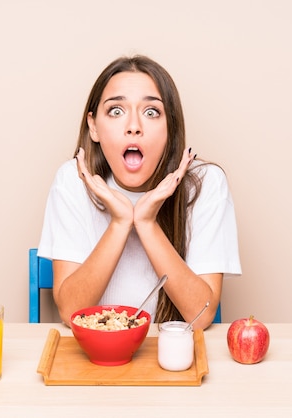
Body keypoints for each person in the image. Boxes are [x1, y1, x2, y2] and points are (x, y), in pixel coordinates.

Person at [37, 55, 240, 330]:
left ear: (171, 128)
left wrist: (146, 223)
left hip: (170, 358)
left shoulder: (206, 184)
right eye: (116, 111)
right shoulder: (71, 181)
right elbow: (71, 311)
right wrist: (120, 222)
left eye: (151, 112)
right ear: (94, 126)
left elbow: (200, 314)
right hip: (96, 361)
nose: (134, 126)